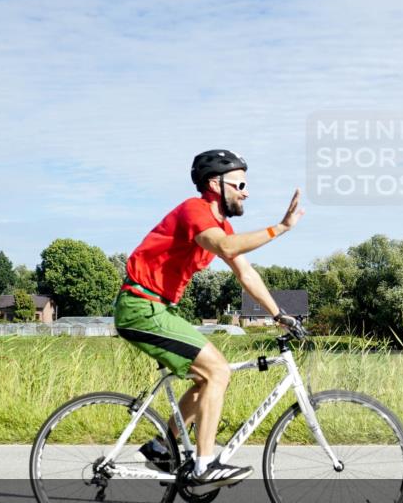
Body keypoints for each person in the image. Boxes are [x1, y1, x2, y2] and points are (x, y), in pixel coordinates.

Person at [114, 149, 306, 486]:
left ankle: (162, 446)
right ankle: (205, 465)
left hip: (158, 309)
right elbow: (228, 248)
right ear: (214, 183)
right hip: (141, 307)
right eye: (240, 183)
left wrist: (279, 314)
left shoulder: (220, 224)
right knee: (217, 370)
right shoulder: (195, 211)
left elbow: (246, 273)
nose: (246, 190)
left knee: (208, 377)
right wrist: (280, 228)